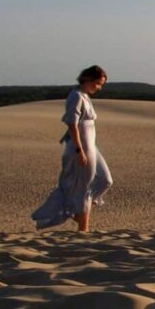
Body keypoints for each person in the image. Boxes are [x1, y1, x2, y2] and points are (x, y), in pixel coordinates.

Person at [32, 65, 114, 232]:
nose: (99, 88)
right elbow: (72, 124)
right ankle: (83, 229)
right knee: (84, 188)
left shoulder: (84, 95)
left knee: (105, 181)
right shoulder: (75, 96)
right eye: (98, 83)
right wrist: (79, 150)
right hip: (81, 147)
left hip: (91, 146)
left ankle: (77, 213)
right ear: (88, 79)